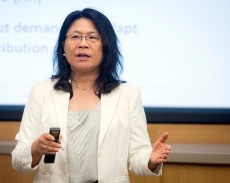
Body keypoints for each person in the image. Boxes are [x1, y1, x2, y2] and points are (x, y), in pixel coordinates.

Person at [12, 8, 171, 183]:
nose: (83, 44)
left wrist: (150, 160)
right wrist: (36, 148)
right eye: (75, 37)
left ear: (106, 47)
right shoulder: (41, 91)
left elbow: (137, 156)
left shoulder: (128, 95)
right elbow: (18, 161)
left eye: (92, 37)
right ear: (63, 46)